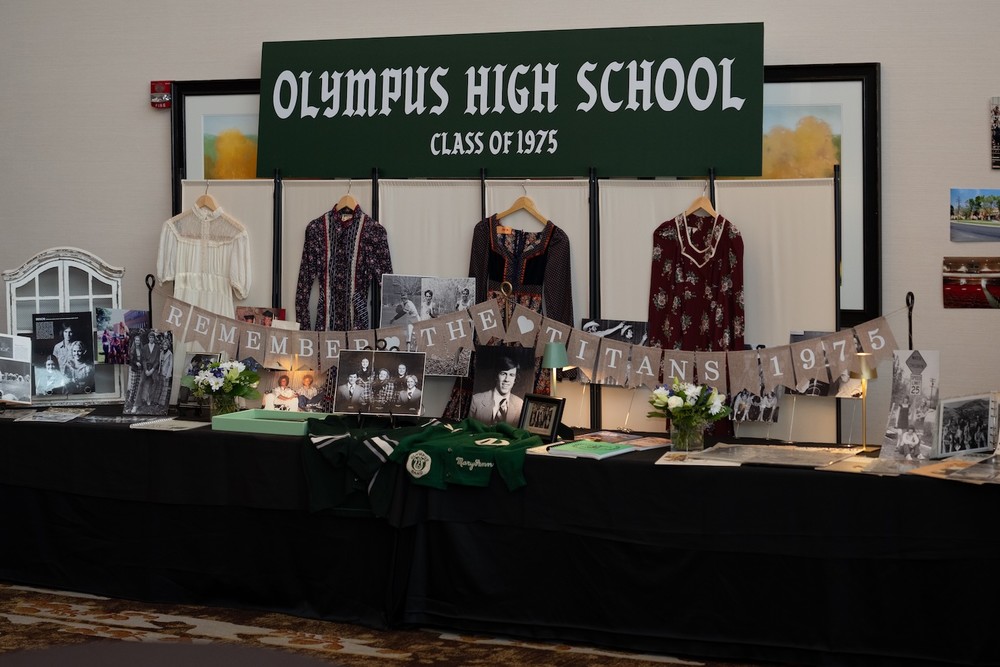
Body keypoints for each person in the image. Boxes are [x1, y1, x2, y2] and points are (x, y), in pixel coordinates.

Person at [468, 355, 524, 426]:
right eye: (503, 374)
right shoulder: (476, 400)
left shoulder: (519, 404)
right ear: (496, 375)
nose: (507, 379)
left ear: (515, 379)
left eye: (511, 375)